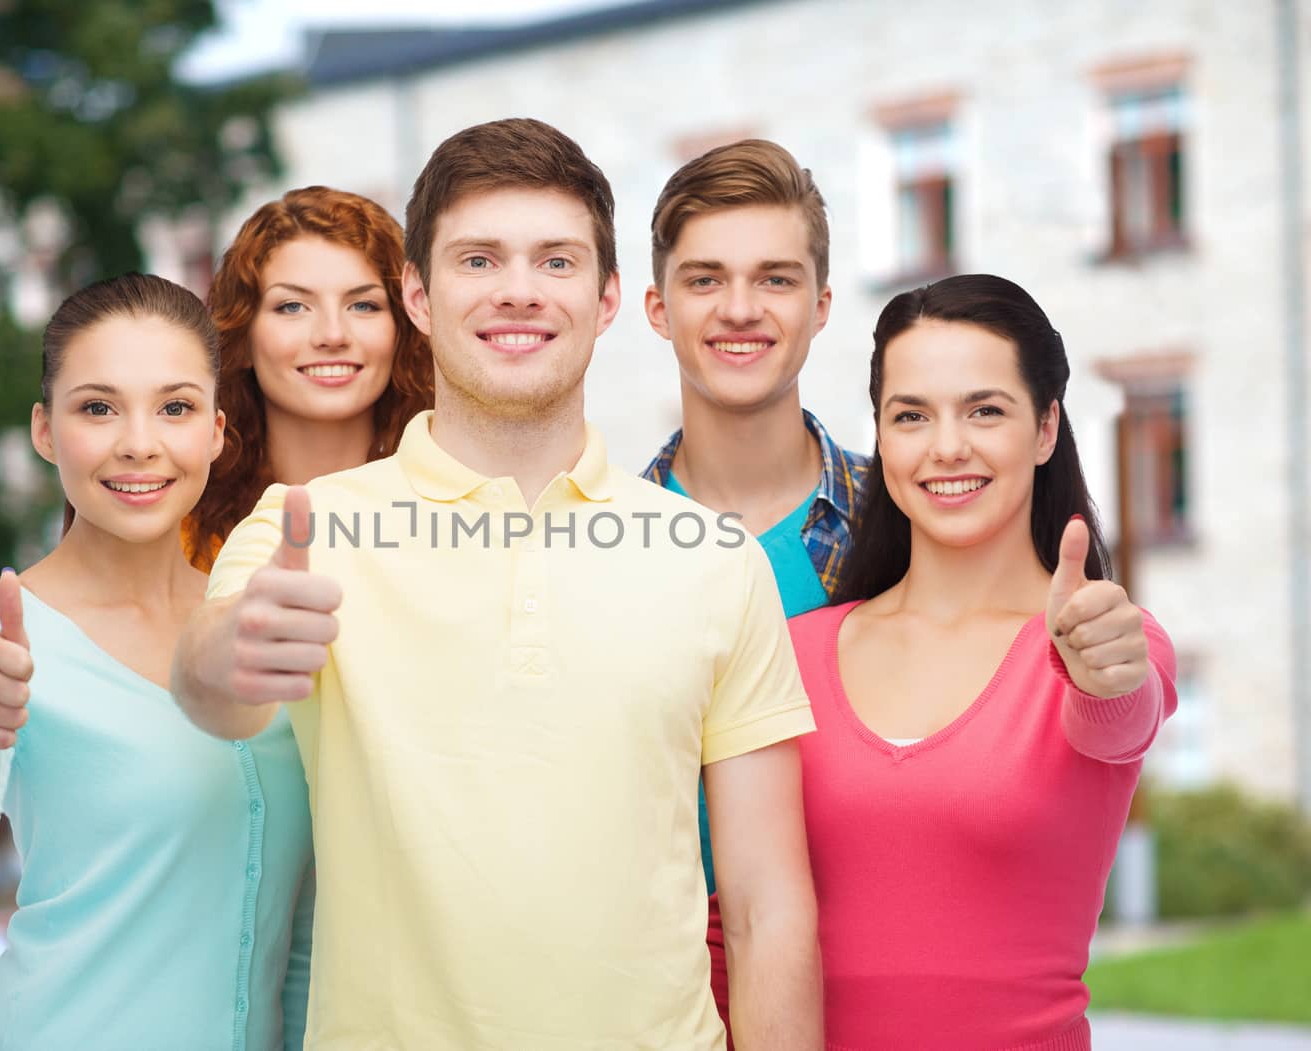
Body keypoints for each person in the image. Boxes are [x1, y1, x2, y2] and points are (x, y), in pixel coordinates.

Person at [172, 119, 823, 1050]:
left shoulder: (714, 558)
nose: (518, 290)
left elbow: (767, 907)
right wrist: (229, 651)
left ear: (604, 301)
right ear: (419, 296)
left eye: (555, 262)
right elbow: (210, 688)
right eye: (479, 260)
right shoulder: (305, 527)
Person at [0, 273, 315, 1051]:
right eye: (97, 407)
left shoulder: (256, 623)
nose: (139, 442)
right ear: (45, 430)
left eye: (175, 407)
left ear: (217, 431)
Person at [794, 274, 1178, 1050]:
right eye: (911, 415)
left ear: (1044, 429)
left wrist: (1106, 675)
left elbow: (1120, 716)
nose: (947, 446)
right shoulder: (796, 650)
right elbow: (734, 917)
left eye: (984, 410)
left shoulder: (1099, 638)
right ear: (881, 435)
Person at [641, 139, 869, 1036]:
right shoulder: (596, 546)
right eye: (705, 280)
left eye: (775, 279)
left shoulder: (911, 524)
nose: (740, 308)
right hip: (667, 1005)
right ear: (658, 308)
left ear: (819, 306)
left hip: (886, 981)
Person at [186, 185, 434, 569]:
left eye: (363, 305)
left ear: (402, 327)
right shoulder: (183, 533)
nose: (332, 335)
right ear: (243, 336)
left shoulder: (458, 517)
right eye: (293, 306)